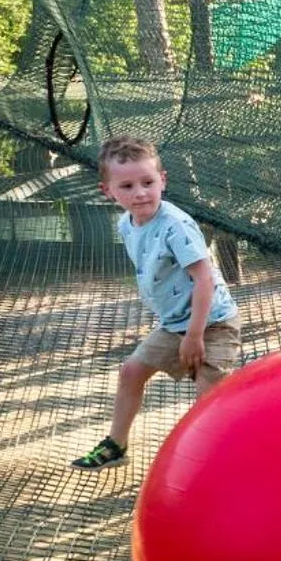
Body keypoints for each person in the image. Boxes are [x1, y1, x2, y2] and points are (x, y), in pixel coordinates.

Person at [69, 134, 240, 470]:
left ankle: (221, 463)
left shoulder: (176, 226)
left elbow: (203, 279)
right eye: (128, 186)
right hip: (175, 324)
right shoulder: (127, 223)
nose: (140, 193)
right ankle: (116, 445)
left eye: (148, 182)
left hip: (213, 323)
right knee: (131, 371)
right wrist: (181, 331)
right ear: (109, 191)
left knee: (210, 398)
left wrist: (194, 337)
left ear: (162, 180)